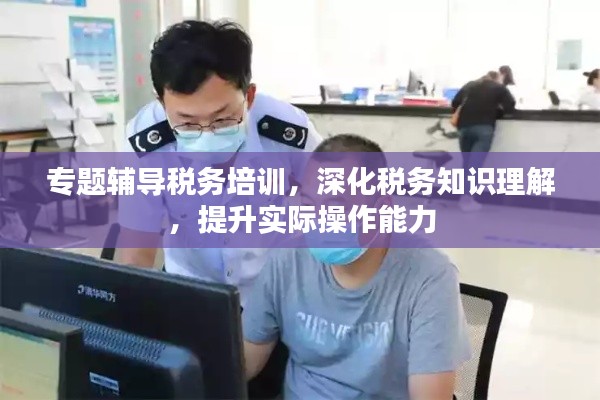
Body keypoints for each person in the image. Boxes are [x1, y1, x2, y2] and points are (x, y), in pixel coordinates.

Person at [243, 134, 471, 400]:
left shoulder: (429, 275)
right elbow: (246, 360)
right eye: (308, 205)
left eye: (335, 207)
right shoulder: (287, 260)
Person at [118, 20, 322, 301]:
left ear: (249, 96)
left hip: (273, 289)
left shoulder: (286, 131)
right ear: (162, 103)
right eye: (187, 123)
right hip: (189, 288)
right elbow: (137, 253)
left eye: (223, 119)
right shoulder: (145, 143)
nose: (207, 133)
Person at [451, 71, 515, 211]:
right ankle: (467, 201)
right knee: (475, 165)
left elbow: (455, 102)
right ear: (496, 79)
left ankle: (463, 198)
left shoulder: (470, 85)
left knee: (467, 164)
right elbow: (510, 106)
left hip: (464, 128)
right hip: (483, 128)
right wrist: (495, 112)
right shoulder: (499, 87)